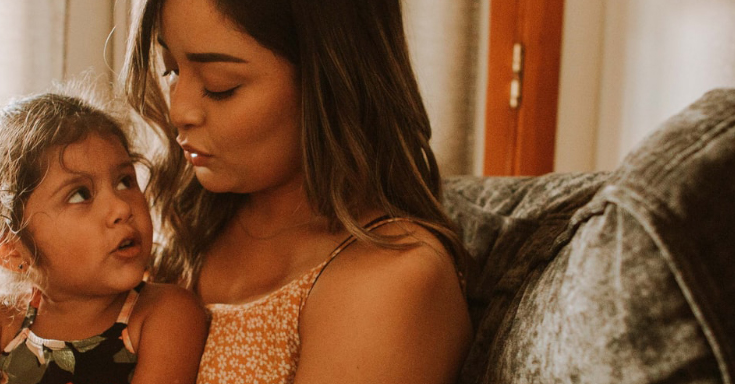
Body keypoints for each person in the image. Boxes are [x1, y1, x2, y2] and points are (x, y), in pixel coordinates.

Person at [124, 0, 473, 382]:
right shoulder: (180, 231)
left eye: (219, 86)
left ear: (333, 81)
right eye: (170, 70)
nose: (179, 110)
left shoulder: (394, 280)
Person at [0, 91, 208, 384]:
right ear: (10, 247)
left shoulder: (165, 315)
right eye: (79, 194)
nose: (121, 208)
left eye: (125, 181)